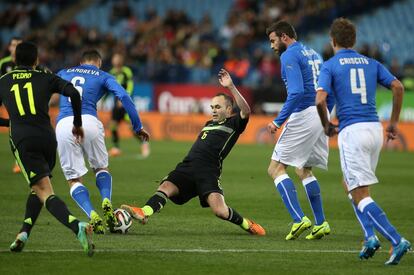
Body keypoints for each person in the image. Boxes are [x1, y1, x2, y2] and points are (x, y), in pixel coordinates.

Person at [121, 69, 265, 236]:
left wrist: (231, 86)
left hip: (208, 171)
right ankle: (144, 212)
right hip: (188, 166)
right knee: (165, 187)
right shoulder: (208, 123)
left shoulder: (234, 124)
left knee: (220, 211)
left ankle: (248, 224)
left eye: (218, 107)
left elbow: (246, 111)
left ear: (228, 109)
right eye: (212, 107)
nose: (214, 110)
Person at [316, 18, 411, 265]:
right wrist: (393, 123)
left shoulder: (330, 65)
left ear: (332, 41)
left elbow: (319, 100)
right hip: (374, 129)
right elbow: (398, 87)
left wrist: (327, 125)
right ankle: (370, 237)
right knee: (350, 184)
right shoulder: (372, 62)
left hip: (352, 131)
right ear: (354, 41)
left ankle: (396, 239)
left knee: (360, 193)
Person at [0, 42, 94, 256]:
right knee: (39, 187)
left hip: (24, 140)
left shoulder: (3, 81)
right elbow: (74, 94)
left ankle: (75, 225)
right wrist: (77, 123)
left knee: (44, 191)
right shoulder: (45, 77)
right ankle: (24, 232)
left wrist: (9, 123)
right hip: (48, 139)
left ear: (14, 60)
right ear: (36, 60)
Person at [56, 49, 150, 234]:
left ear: (81, 62)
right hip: (89, 122)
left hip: (65, 123)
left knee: (74, 179)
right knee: (100, 168)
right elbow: (124, 96)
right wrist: (137, 126)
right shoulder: (103, 75)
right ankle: (106, 199)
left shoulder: (64, 72)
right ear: (98, 63)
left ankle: (92, 214)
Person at [265, 21, 331, 240]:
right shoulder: (313, 52)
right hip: (321, 114)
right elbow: (324, 87)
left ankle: (298, 219)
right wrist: (326, 116)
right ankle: (321, 223)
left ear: (284, 37)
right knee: (303, 170)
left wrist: (277, 121)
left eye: (273, 41)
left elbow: (296, 92)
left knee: (275, 168)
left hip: (304, 114)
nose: (272, 46)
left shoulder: (289, 55)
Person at [108, 52, 150, 158]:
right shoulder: (111, 72)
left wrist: (124, 98)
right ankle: (116, 147)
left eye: (117, 58)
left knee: (131, 128)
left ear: (120, 61)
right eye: (114, 58)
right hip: (116, 104)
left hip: (125, 103)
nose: (115, 60)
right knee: (113, 125)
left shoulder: (126, 71)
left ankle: (144, 143)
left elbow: (130, 85)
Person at [0, 37, 23, 173]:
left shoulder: (27, 63)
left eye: (19, 45)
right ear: (9, 48)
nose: (16, 48)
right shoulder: (4, 63)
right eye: (14, 45)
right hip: (9, 100)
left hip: (25, 100)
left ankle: (19, 160)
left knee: (18, 127)